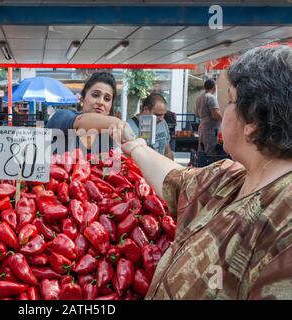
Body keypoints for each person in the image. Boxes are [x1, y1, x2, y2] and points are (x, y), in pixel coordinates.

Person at [122, 46, 292, 299]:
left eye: (231, 100)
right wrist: (132, 143)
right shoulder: (231, 177)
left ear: (253, 121)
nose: (223, 112)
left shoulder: (284, 218)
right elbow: (175, 179)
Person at [46, 71, 134, 154]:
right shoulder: (62, 116)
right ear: (82, 98)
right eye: (95, 95)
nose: (101, 102)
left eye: (107, 99)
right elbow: (80, 121)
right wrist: (119, 123)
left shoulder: (110, 139)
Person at [127, 93, 174, 160]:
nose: (162, 118)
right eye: (158, 115)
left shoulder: (163, 123)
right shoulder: (129, 127)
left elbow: (167, 151)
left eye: (164, 114)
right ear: (146, 110)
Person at [194, 78, 222, 154]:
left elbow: (196, 114)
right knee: (210, 151)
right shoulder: (211, 97)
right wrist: (223, 120)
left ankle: (201, 165)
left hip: (202, 126)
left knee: (201, 151)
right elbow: (215, 115)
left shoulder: (199, 98)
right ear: (214, 87)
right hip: (210, 128)